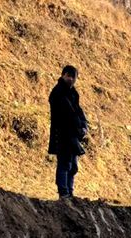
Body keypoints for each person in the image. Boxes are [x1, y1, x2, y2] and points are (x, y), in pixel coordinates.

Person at [48, 65, 88, 200]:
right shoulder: (58, 92)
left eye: (74, 77)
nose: (71, 79)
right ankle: (63, 193)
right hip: (62, 134)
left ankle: (70, 192)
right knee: (64, 164)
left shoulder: (73, 93)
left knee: (73, 166)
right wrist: (80, 127)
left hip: (72, 135)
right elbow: (68, 113)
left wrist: (84, 125)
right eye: (69, 76)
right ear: (63, 75)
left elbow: (78, 111)